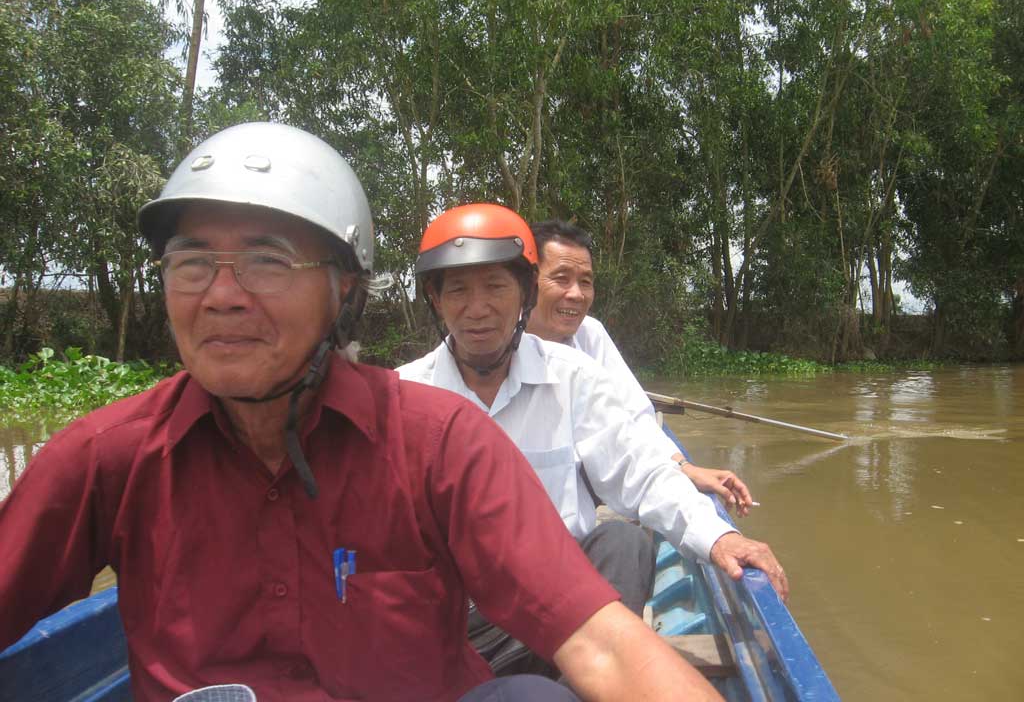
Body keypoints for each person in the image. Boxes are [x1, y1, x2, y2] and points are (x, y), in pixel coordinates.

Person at [0, 124, 724, 702]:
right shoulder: (107, 457)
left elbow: (602, 636)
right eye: (192, 264)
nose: (220, 295)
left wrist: (713, 532)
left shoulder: (440, 440)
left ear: (346, 293)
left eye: (267, 261)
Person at [398, 204, 787, 613]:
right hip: (454, 614)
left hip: (557, 605)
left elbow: (641, 471)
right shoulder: (401, 396)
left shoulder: (574, 377)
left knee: (624, 542)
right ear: (435, 299)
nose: (477, 309)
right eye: (458, 289)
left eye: (495, 287)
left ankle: (588, 668)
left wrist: (718, 537)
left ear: (525, 293)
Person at [527, 219, 755, 516]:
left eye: (585, 281)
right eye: (561, 278)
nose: (576, 294)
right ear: (527, 281)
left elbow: (634, 413)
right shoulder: (498, 347)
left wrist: (683, 467)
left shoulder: (589, 333)